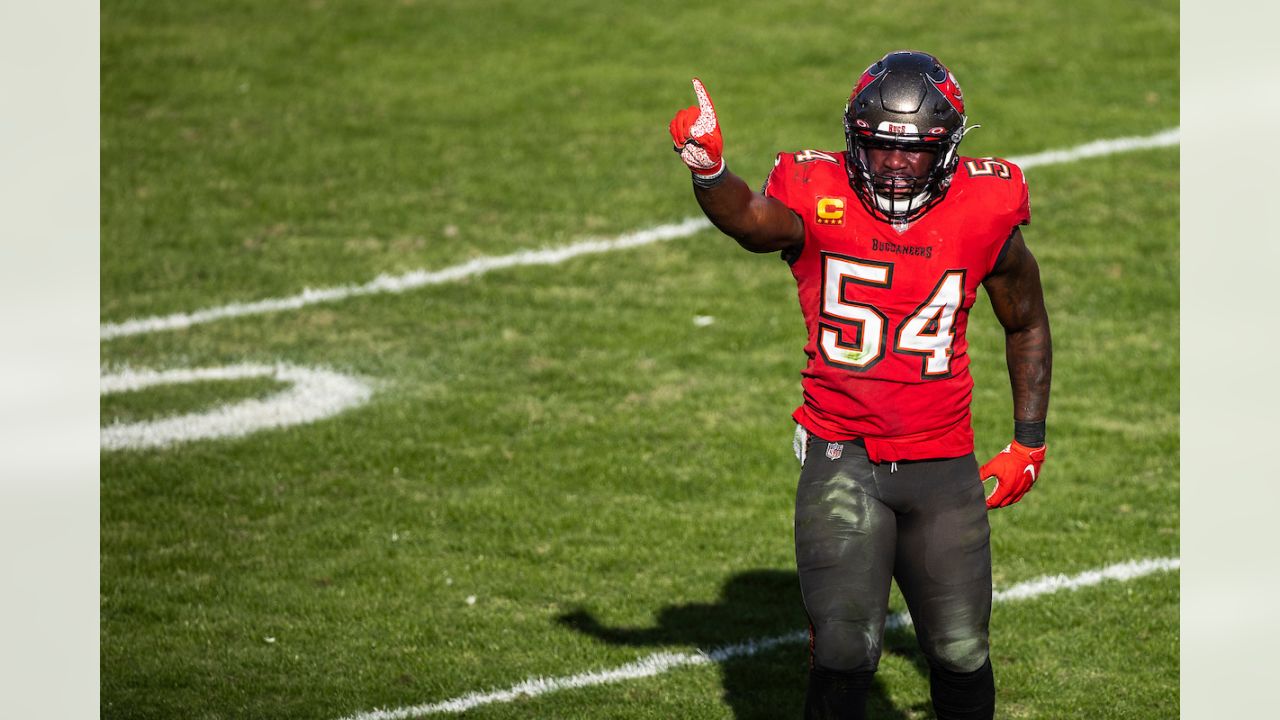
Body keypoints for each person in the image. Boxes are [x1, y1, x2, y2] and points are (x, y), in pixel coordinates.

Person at [667, 50, 1052, 720]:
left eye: (916, 153)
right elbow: (754, 223)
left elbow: (1026, 322)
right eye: (879, 148)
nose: (896, 166)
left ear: (949, 151)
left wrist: (1028, 441)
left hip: (943, 468)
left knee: (960, 651)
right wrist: (710, 174)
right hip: (844, 458)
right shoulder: (819, 192)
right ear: (854, 139)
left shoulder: (984, 210)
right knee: (845, 649)